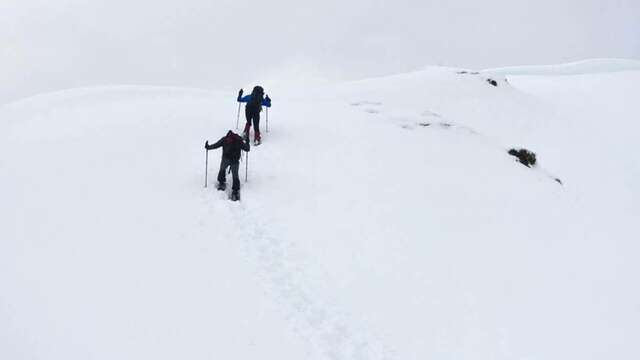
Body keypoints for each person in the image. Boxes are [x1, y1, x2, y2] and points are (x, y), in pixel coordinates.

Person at [205, 130, 250, 201]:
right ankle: (235, 191)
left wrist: (208, 147)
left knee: (222, 170)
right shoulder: (239, 141)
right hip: (235, 161)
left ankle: (221, 183)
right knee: (235, 175)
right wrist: (247, 142)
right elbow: (247, 149)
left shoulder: (224, 139)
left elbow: (216, 145)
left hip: (226, 159)